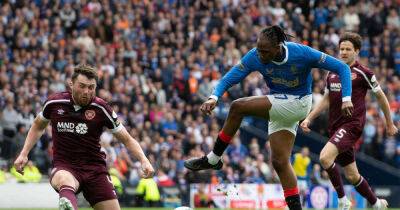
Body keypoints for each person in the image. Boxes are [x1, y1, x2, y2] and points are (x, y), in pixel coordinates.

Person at [184, 25, 354, 210]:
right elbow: (231, 77)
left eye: (265, 51)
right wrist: (214, 96)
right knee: (279, 162)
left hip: (299, 102)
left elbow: (342, 67)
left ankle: (213, 158)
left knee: (237, 107)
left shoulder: (302, 53)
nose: (261, 55)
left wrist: (346, 98)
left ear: (279, 46)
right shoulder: (256, 55)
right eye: (259, 49)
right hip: (279, 102)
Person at [14, 64, 155, 210]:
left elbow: (127, 139)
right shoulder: (54, 103)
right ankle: (68, 206)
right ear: (71, 84)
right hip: (65, 166)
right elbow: (38, 125)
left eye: (91, 87)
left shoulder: (101, 108)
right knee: (64, 179)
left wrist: (144, 160)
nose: (87, 91)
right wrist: (24, 153)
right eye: (82, 86)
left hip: (95, 169)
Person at [300, 32, 398, 210]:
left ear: (357, 51)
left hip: (352, 125)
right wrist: (308, 118)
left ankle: (343, 200)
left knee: (324, 157)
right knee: (352, 176)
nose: (343, 52)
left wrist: (389, 123)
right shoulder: (332, 73)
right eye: (341, 49)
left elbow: (381, 97)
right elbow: (326, 100)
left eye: (348, 49)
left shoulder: (364, 73)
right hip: (335, 127)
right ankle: (377, 203)